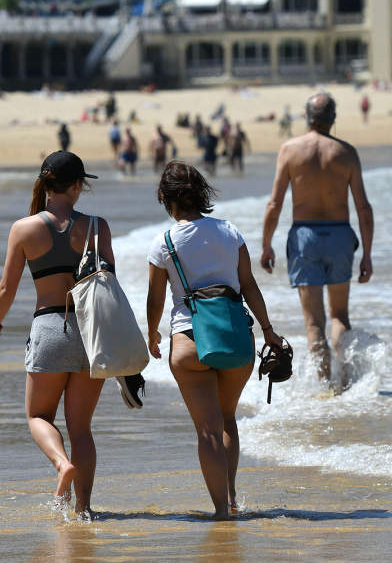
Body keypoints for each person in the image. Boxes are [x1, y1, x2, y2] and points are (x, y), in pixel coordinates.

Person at [146, 161, 283, 519]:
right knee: (227, 419)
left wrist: (151, 332)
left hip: (189, 339)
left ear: (165, 197)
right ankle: (233, 497)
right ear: (201, 193)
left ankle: (220, 511)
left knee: (207, 429)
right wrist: (268, 330)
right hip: (236, 336)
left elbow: (155, 298)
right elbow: (248, 285)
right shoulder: (229, 231)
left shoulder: (164, 243)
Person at [0, 151, 110, 519]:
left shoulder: (24, 228)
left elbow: (7, 287)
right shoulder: (97, 227)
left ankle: (60, 463)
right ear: (75, 186)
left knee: (38, 416)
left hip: (49, 328)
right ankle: (84, 510)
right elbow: (109, 286)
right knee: (81, 428)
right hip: (88, 333)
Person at [261, 93, 373, 391]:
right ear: (333, 118)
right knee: (339, 316)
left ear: (307, 117)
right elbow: (363, 207)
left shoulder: (290, 149)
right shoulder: (346, 152)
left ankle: (324, 388)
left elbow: (274, 204)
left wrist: (266, 245)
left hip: (305, 237)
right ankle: (346, 383)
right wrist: (368, 255)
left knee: (314, 323)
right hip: (339, 236)